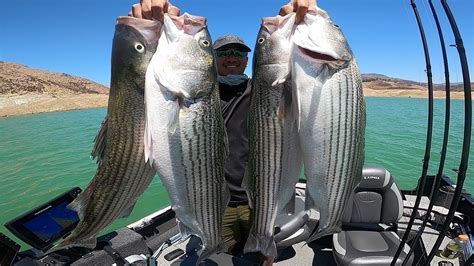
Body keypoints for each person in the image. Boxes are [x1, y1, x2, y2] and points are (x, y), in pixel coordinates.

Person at [129, 0, 316, 264]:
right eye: (224, 52)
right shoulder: (200, 94)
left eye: (239, 53)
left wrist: (300, 24)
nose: (232, 58)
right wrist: (146, 30)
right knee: (225, 256)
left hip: (260, 198)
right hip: (216, 201)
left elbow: (292, 75)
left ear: (248, 59)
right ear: (213, 58)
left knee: (263, 256)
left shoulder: (263, 91)